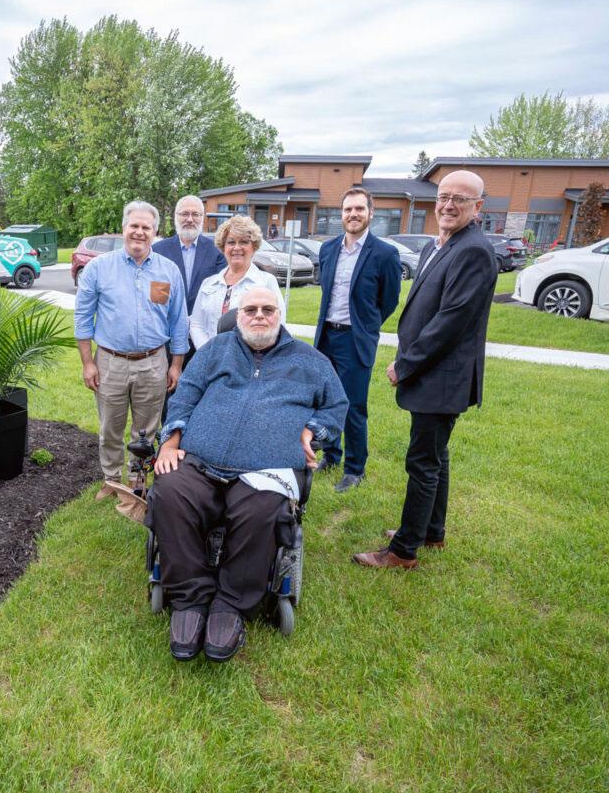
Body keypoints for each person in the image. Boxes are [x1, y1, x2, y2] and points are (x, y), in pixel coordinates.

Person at [149, 287, 347, 661]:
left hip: (266, 470)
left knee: (262, 513)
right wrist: (170, 441)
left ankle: (231, 606)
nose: (259, 316)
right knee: (170, 491)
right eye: (251, 309)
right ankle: (190, 600)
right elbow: (185, 395)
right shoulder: (216, 350)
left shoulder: (311, 361)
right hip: (200, 460)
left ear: (280, 314)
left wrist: (313, 431)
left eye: (267, 309)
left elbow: (337, 407)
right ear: (238, 317)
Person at [352, 170, 498, 570]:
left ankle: (403, 550)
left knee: (423, 462)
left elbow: (451, 321)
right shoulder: (441, 244)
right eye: (444, 196)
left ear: (478, 207)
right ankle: (431, 530)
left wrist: (406, 363)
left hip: (441, 375)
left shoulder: (473, 251)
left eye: (461, 200)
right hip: (435, 375)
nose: (449, 205)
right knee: (436, 458)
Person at [74, 201, 188, 490]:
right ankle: (111, 481)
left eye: (146, 227)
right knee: (109, 428)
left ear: (155, 232)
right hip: (110, 362)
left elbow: (178, 322)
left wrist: (176, 365)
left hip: (153, 363)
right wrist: (88, 363)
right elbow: (83, 318)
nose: (139, 232)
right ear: (124, 228)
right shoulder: (99, 268)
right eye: (134, 226)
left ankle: (139, 480)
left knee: (146, 430)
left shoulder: (169, 271)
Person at [312, 186, 402, 493]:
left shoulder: (385, 254)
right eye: (348, 209)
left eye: (359, 209)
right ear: (341, 214)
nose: (353, 214)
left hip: (355, 340)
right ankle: (332, 454)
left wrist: (367, 326)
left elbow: (388, 301)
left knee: (353, 406)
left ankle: (354, 468)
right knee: (326, 401)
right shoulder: (328, 249)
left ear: (370, 213)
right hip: (326, 336)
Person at [189, 216, 283, 349]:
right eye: (231, 242)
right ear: (223, 247)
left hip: (251, 361)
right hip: (210, 359)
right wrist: (207, 350)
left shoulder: (266, 282)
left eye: (244, 242)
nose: (237, 247)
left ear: (254, 247)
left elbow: (278, 325)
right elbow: (196, 324)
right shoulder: (208, 283)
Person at [153, 195, 227, 315]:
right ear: (176, 216)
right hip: (168, 324)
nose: (190, 219)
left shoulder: (218, 250)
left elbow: (221, 292)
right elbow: (157, 298)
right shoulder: (158, 251)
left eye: (195, 214)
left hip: (204, 325)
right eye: (185, 214)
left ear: (203, 217)